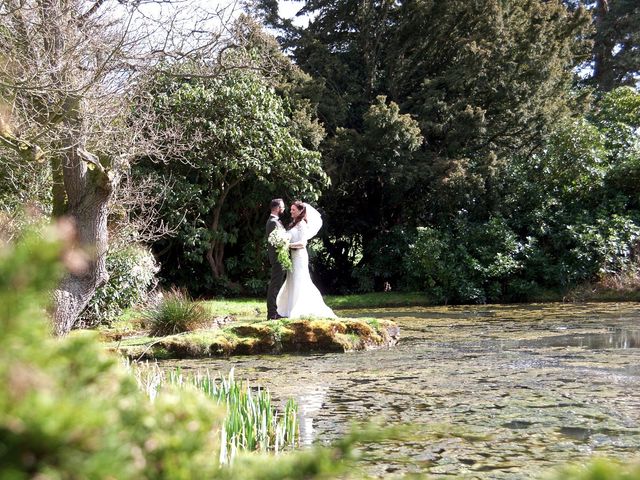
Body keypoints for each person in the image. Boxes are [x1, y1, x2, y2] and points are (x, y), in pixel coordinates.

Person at [276, 201, 336, 319]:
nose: (291, 211)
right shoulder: (294, 223)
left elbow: (303, 244)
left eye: (293, 209)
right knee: (291, 280)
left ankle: (301, 308)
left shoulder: (302, 224)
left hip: (299, 256)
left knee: (300, 280)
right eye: (291, 209)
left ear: (300, 211)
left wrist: (288, 246)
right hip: (292, 257)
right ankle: (289, 308)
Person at [266, 198, 286, 320]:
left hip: (280, 258)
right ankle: (272, 313)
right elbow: (277, 242)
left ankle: (274, 311)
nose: (284, 209)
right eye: (282, 207)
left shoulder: (274, 221)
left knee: (276, 285)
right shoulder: (273, 222)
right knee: (274, 286)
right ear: (278, 208)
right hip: (278, 258)